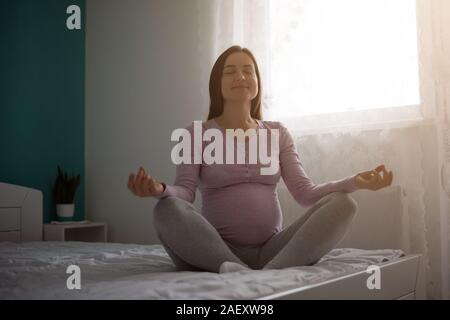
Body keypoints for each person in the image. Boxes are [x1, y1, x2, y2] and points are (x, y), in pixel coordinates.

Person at [127, 45, 394, 273]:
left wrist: (356, 181)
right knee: (166, 208)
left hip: (272, 251)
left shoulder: (278, 133)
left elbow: (306, 194)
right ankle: (234, 268)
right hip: (213, 250)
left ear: (257, 82)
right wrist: (159, 190)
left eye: (248, 70)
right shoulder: (195, 134)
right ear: (217, 84)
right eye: (230, 71)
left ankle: (269, 273)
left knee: (344, 203)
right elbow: (184, 193)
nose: (241, 76)